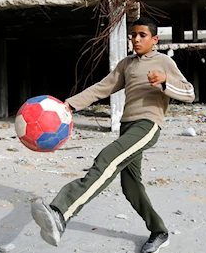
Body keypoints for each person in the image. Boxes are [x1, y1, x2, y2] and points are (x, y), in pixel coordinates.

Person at [30, 17, 195, 253]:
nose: (136, 39)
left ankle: (60, 212)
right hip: (127, 127)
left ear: (154, 39)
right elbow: (102, 87)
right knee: (130, 186)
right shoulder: (126, 64)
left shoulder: (163, 62)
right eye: (133, 35)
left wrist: (165, 81)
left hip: (147, 125)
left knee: (106, 159)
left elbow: (189, 93)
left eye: (142, 35)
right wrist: (69, 105)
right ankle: (159, 231)